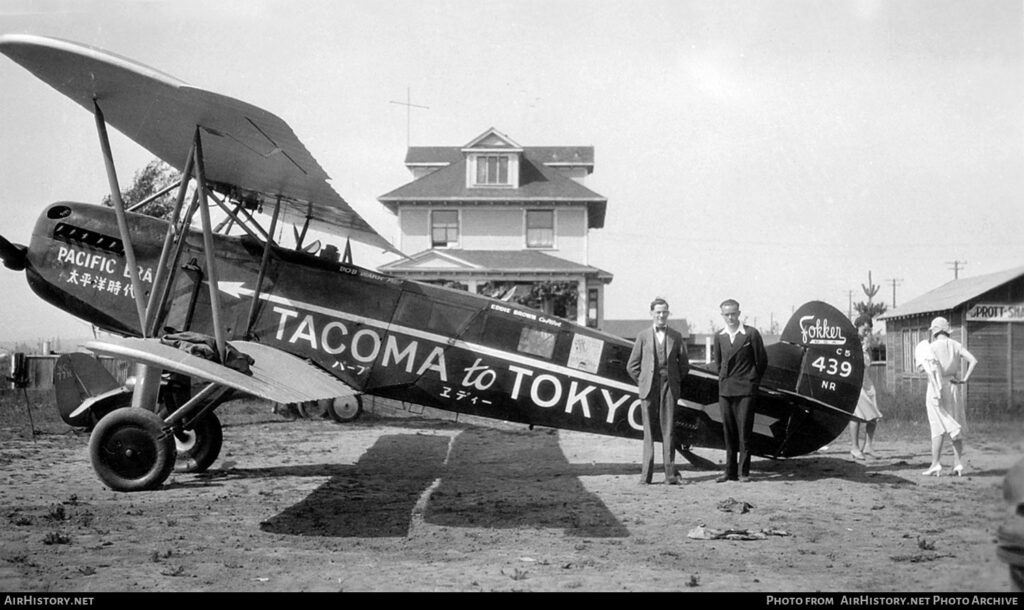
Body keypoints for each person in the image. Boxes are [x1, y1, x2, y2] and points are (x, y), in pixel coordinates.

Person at [626, 297, 690, 485]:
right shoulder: (643, 336)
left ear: (668, 313)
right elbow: (632, 365)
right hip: (649, 388)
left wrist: (674, 381)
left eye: (664, 312)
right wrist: (643, 381)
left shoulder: (676, 336)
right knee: (648, 433)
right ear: (652, 314)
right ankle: (646, 477)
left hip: (669, 387)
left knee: (668, 431)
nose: (661, 315)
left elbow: (684, 365)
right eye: (658, 312)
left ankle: (670, 476)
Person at [712, 299, 768, 483]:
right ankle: (730, 472)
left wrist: (751, 381)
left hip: (745, 390)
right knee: (728, 432)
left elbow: (761, 361)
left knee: (744, 431)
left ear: (739, 313)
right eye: (727, 314)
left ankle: (743, 472)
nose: (730, 317)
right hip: (726, 390)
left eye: (733, 314)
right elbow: (719, 363)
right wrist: (724, 380)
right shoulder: (719, 336)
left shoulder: (751, 334)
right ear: (722, 315)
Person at [917, 316, 978, 477]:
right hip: (953, 386)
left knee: (937, 425)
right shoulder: (956, 345)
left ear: (935, 331)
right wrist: (964, 379)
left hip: (936, 388)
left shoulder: (931, 347)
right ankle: (958, 464)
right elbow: (973, 360)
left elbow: (922, 369)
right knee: (955, 421)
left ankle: (935, 463)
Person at [849, 315, 883, 460]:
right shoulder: (852, 341)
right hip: (855, 381)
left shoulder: (866, 343)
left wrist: (867, 348)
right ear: (857, 327)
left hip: (866, 381)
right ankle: (854, 448)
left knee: (874, 414)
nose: (867, 332)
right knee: (856, 414)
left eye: (869, 330)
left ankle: (868, 445)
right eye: (865, 329)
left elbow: (869, 362)